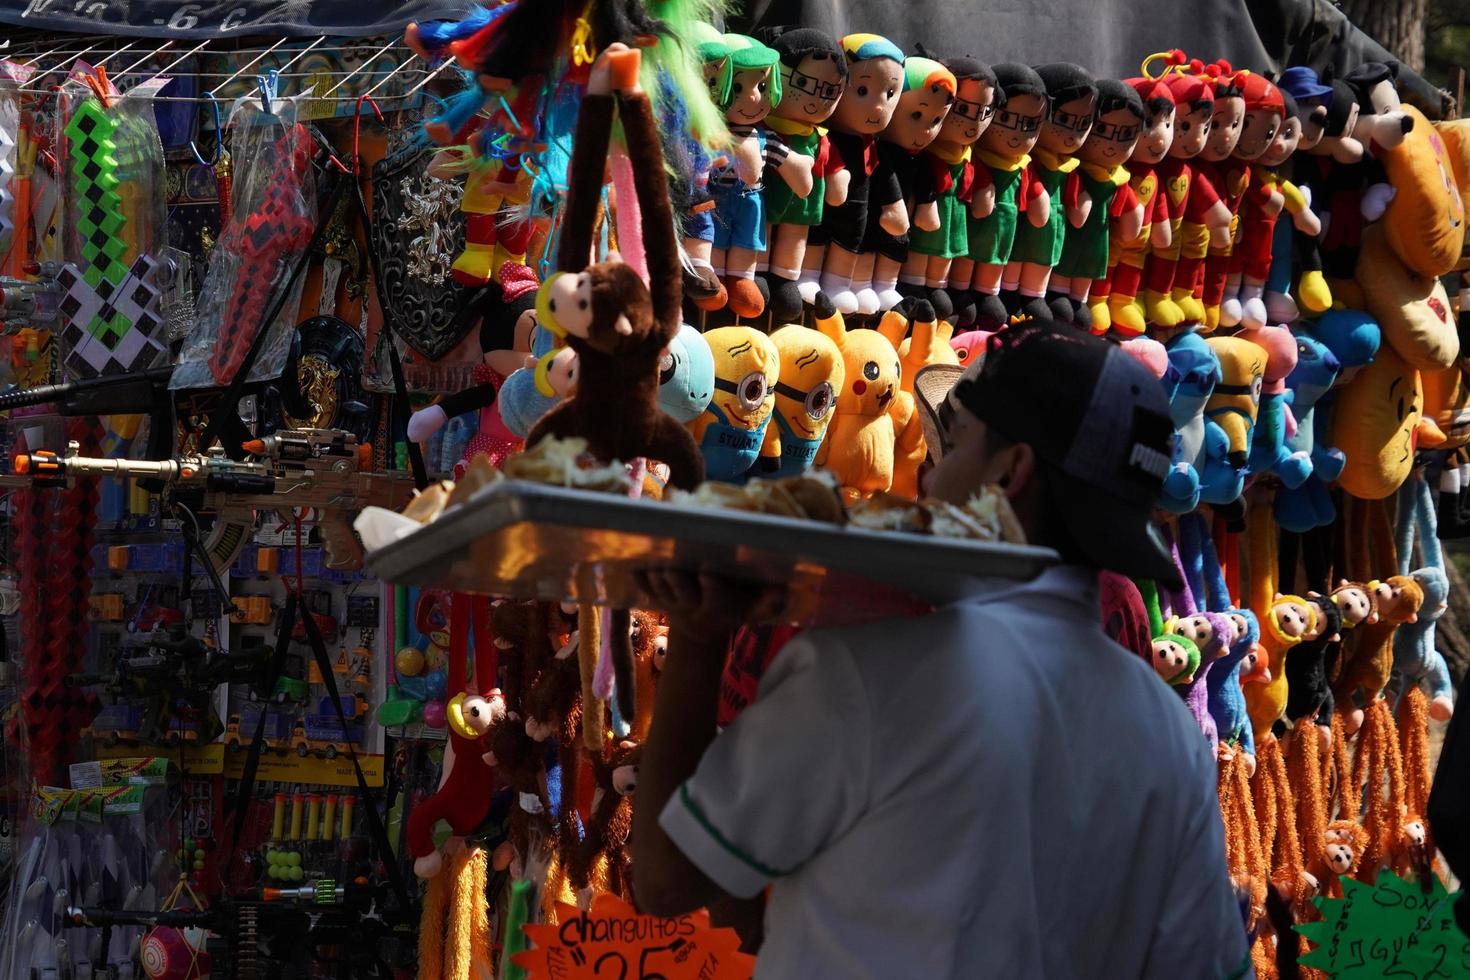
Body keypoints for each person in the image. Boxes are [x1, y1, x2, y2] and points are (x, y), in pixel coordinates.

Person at [632, 322, 1250, 979]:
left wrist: (698, 639)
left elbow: (669, 883)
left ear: (1010, 473)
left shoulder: (866, 675)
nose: (927, 477)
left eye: (952, 446)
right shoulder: (1169, 738)